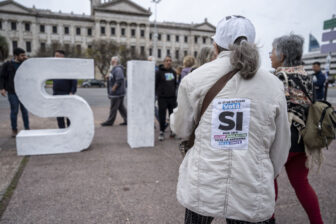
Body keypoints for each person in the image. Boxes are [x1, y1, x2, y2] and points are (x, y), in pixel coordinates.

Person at [170, 15, 290, 224]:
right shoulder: (273, 85)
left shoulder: (194, 80)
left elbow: (181, 129)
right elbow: (281, 146)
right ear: (252, 44)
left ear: (215, 46)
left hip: (204, 178)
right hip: (250, 184)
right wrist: (263, 170)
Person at [270, 34, 323, 224]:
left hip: (280, 140)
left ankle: (270, 219)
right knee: (302, 185)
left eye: (273, 50)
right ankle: (317, 222)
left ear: (282, 55)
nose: (270, 54)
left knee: (269, 182)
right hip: (302, 140)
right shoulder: (306, 75)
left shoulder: (277, 77)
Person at [0, 48, 29, 137]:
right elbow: (2, 77)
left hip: (24, 92)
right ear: (16, 56)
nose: (24, 57)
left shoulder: (26, 64)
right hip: (13, 92)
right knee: (14, 111)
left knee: (25, 111)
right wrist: (2, 88)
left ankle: (27, 128)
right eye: (22, 55)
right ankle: (14, 129)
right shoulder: (7, 65)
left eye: (24, 55)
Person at [52, 50, 77, 129]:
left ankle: (70, 130)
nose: (55, 58)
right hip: (56, 94)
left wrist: (72, 92)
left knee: (69, 115)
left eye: (57, 56)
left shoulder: (68, 67)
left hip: (66, 94)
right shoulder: (54, 67)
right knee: (59, 115)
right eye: (55, 56)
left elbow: (74, 80)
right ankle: (62, 130)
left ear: (62, 57)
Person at [155, 55, 177, 141]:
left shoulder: (173, 72)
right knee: (162, 115)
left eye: (170, 61)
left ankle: (172, 130)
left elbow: (175, 84)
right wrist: (159, 94)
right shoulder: (159, 72)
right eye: (167, 61)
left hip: (172, 98)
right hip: (162, 98)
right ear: (164, 62)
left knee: (172, 115)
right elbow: (156, 84)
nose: (168, 62)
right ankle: (161, 131)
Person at [101, 56, 127, 126]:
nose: (111, 61)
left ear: (116, 61)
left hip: (117, 93)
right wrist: (108, 76)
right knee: (121, 107)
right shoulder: (113, 69)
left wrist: (114, 87)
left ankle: (110, 122)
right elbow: (112, 77)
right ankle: (127, 120)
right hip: (118, 93)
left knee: (113, 108)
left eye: (112, 60)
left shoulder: (118, 69)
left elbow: (120, 79)